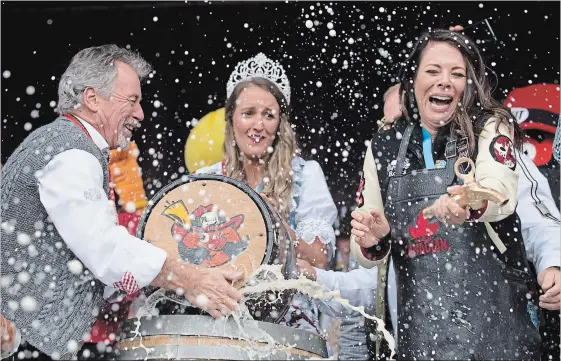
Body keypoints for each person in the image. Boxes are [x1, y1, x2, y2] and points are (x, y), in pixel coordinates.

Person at [0, 44, 243, 359]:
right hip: (30, 346)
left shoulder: (66, 144)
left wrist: (167, 271)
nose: (140, 114)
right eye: (132, 101)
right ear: (92, 99)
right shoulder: (70, 153)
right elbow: (103, 248)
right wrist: (189, 278)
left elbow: (88, 264)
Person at [347, 29, 541, 360]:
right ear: (413, 79)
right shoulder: (382, 148)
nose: (444, 82)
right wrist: (373, 239)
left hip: (499, 336)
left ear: (470, 84)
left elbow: (501, 192)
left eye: (457, 74)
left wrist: (470, 202)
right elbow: (361, 248)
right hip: (421, 340)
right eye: (432, 71)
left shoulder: (490, 126)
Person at [195, 52, 338, 333]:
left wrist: (274, 223)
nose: (258, 125)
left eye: (268, 115)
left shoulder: (306, 175)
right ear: (231, 120)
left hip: (289, 327)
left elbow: (319, 258)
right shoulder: (206, 181)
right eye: (248, 113)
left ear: (280, 124)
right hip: (218, 324)